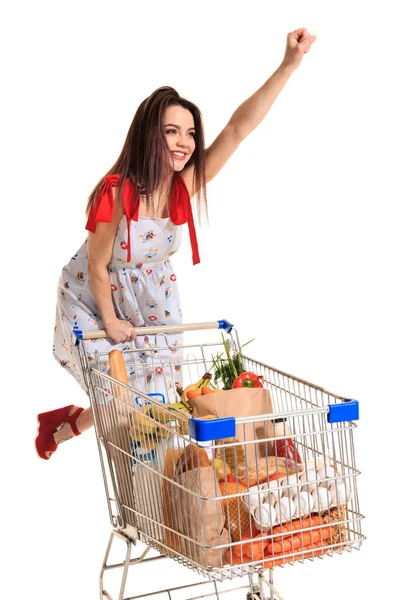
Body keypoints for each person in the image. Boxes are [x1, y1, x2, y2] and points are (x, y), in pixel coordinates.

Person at [35, 27, 316, 460]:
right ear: (150, 134)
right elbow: (95, 265)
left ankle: (66, 425)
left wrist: (288, 65)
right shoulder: (117, 191)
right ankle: (83, 440)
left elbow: (238, 130)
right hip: (93, 297)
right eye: (171, 131)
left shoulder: (183, 187)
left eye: (189, 132)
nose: (183, 142)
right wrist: (109, 323)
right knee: (122, 397)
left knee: (154, 402)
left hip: (151, 298)